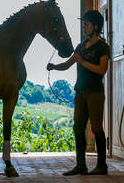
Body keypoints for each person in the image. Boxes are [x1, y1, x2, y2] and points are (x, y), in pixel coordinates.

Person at [47, 9, 110, 176]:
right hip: (80, 92)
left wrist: (82, 61)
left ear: (95, 27)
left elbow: (102, 69)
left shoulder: (103, 47)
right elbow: (68, 64)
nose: (84, 27)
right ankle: (81, 165)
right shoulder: (80, 47)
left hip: (95, 93)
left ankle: (101, 165)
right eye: (84, 24)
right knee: (78, 128)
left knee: (96, 128)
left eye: (87, 24)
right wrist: (54, 67)